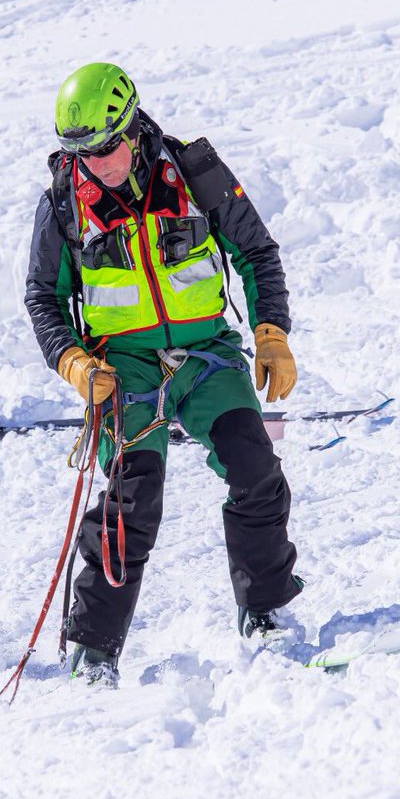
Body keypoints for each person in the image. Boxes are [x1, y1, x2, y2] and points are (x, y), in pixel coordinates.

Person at [25, 62, 302, 686]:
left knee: (256, 467)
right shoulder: (63, 204)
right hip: (124, 369)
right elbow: (42, 296)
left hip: (205, 356)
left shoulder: (194, 173)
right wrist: (73, 361)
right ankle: (93, 650)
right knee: (132, 496)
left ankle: (263, 612)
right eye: (81, 154)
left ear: (133, 126)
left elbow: (257, 251)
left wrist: (271, 334)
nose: (95, 164)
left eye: (105, 148)